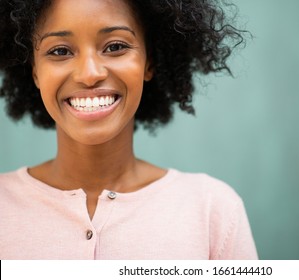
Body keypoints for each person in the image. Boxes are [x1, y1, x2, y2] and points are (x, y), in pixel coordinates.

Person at [0, 0, 258, 259]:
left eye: (115, 46)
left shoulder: (212, 208)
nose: (89, 74)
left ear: (149, 62)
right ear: (35, 72)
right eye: (59, 51)